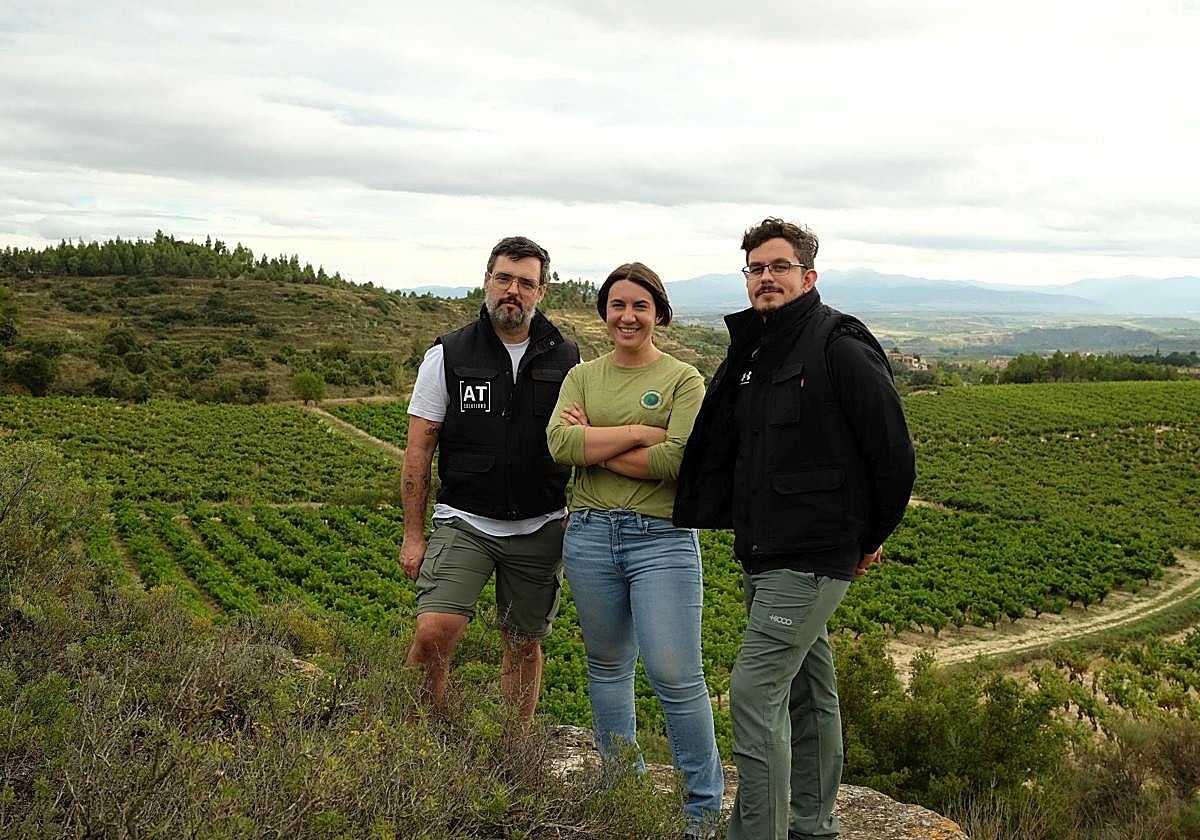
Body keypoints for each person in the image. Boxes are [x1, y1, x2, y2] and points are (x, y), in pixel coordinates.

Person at [674, 219, 916, 840]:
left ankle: (759, 832)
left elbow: (892, 452)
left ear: (808, 276)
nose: (766, 277)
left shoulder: (838, 345)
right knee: (809, 691)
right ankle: (812, 824)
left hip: (812, 553)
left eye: (779, 266)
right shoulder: (757, 349)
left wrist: (867, 538)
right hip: (766, 549)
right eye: (756, 268)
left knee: (754, 693)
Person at [546, 262, 724, 836]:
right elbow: (558, 442)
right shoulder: (581, 375)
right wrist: (641, 434)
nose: (628, 315)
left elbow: (676, 462)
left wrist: (595, 441)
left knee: (675, 674)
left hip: (662, 540)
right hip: (591, 535)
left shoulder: (683, 379)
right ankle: (622, 791)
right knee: (607, 667)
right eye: (618, 305)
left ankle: (701, 810)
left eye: (640, 306)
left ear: (659, 314)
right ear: (604, 313)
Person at [400, 235, 579, 724]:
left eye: (526, 282)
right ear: (486, 281)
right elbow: (419, 450)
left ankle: (512, 748)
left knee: (524, 644)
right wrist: (413, 535)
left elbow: (583, 446)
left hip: (540, 525)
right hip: (464, 521)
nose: (512, 291)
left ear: (542, 292)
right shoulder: (449, 354)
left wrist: (574, 517)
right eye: (504, 278)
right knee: (434, 630)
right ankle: (413, 744)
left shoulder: (568, 358)